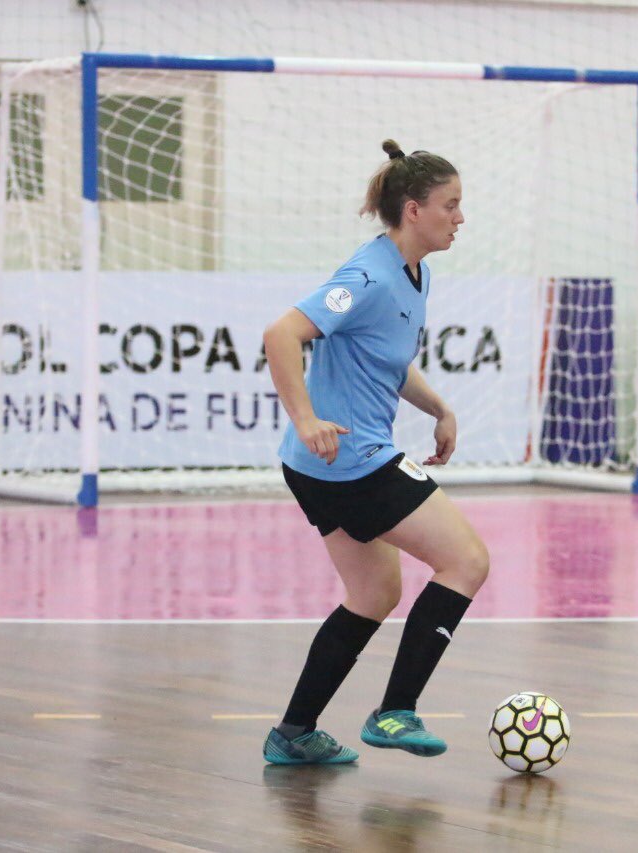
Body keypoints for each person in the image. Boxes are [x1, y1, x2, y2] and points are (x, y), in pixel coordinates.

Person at [260, 139, 489, 765]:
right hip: (351, 462)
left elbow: (386, 360)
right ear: (413, 209)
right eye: (452, 205)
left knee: (373, 595)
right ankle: (395, 712)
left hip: (320, 468)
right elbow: (281, 334)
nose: (460, 217)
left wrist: (437, 407)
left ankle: (294, 733)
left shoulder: (416, 274)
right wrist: (306, 416)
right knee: (466, 561)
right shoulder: (367, 275)